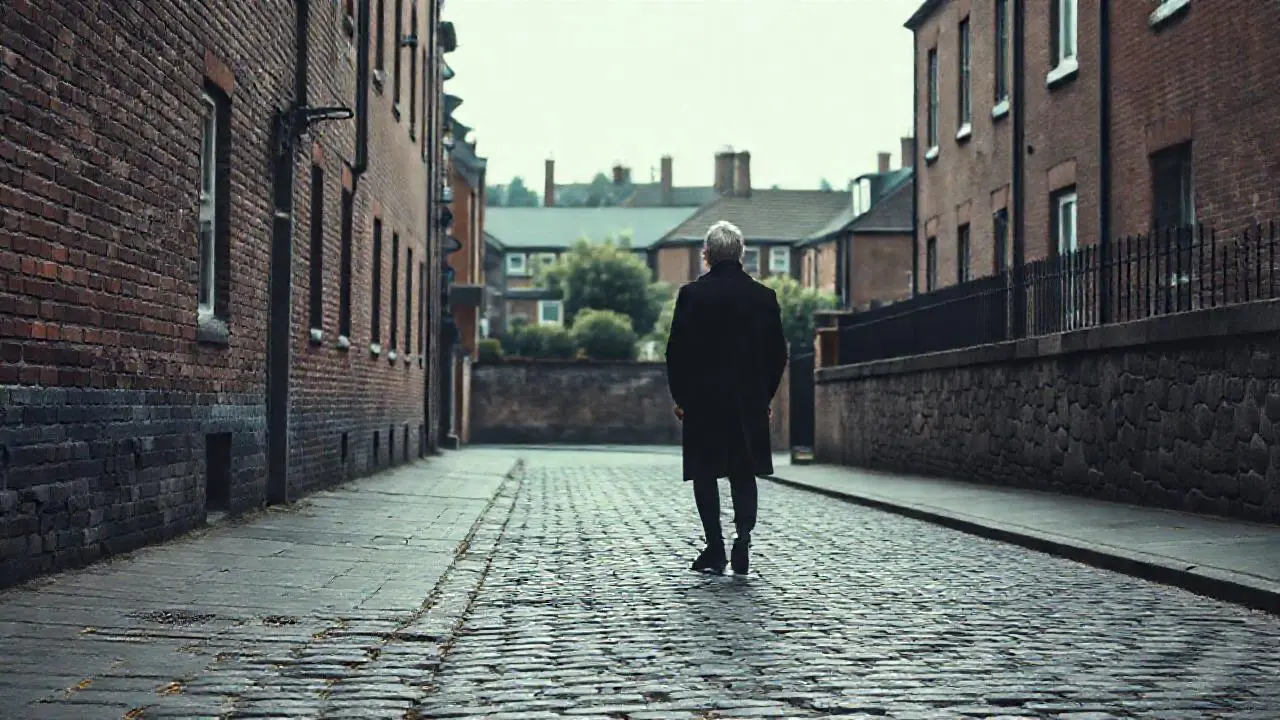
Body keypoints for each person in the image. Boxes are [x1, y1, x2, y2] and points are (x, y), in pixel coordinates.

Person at [665, 220, 788, 575]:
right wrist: (764, 396)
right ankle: (743, 537)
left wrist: (682, 398)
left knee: (706, 474)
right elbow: (777, 354)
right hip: (747, 401)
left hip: (703, 402)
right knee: (743, 472)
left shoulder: (691, 295)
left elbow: (676, 352)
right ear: (741, 255)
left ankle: (715, 547)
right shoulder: (764, 297)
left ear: (706, 255)